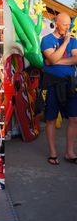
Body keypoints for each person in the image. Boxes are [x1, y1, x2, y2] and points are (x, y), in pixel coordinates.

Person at [40, 12, 77, 165]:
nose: (68, 27)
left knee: (74, 119)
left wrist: (55, 61)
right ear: (56, 23)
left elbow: (75, 58)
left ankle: (69, 152)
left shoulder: (74, 41)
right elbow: (52, 58)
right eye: (65, 25)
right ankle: (53, 152)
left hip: (70, 84)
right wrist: (64, 43)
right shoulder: (46, 40)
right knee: (50, 119)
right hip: (52, 84)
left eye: (69, 25)